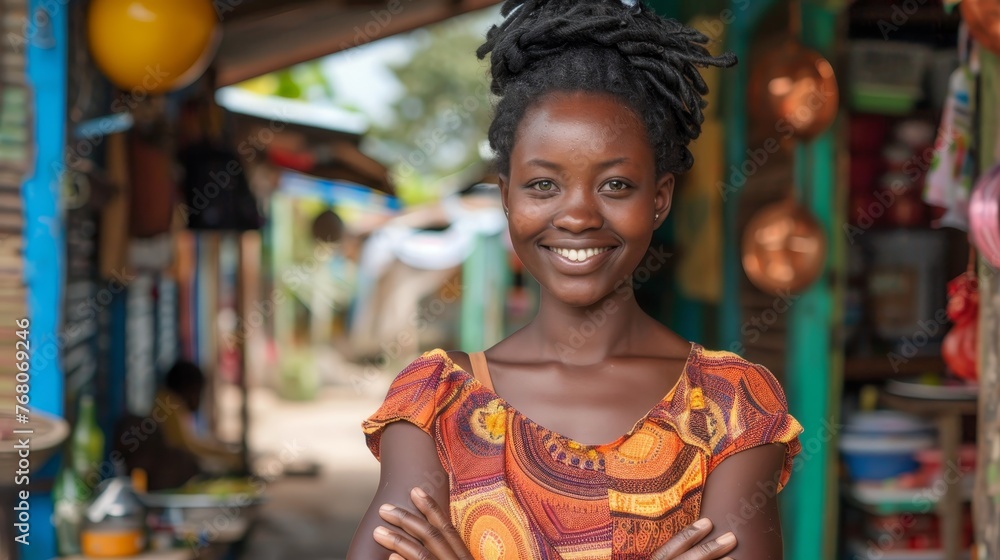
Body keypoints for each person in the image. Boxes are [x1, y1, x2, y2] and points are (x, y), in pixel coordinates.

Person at [348, 1, 803, 558]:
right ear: (506, 198)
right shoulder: (436, 403)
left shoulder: (729, 407)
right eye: (542, 186)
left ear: (659, 200)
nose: (579, 215)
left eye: (615, 186)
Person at [158, 359, 245, 474]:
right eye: (198, 391)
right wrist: (228, 456)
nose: (199, 399)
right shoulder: (167, 406)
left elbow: (191, 443)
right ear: (188, 388)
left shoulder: (171, 404)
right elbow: (188, 447)